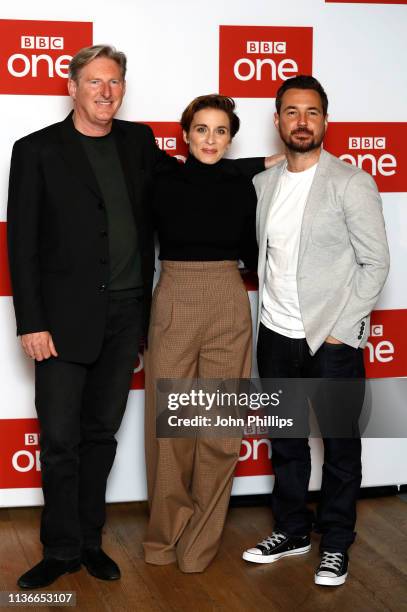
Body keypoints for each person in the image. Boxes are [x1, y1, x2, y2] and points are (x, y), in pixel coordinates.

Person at [7, 45, 280, 589]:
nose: (105, 92)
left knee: (101, 436)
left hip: (129, 315)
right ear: (73, 87)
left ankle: (89, 541)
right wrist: (30, 321)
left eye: (114, 82)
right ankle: (59, 548)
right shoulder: (35, 150)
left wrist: (281, 160)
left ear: (123, 89)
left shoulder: (139, 142)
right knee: (60, 439)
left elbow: (204, 174)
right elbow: (21, 243)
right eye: (94, 82)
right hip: (59, 323)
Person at [242, 76, 389, 586]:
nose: (301, 121)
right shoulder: (263, 185)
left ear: (325, 120)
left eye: (312, 112)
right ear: (278, 119)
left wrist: (342, 331)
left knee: (341, 448)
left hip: (331, 341)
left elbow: (376, 263)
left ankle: (337, 543)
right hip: (275, 334)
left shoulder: (351, 182)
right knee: (286, 442)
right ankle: (292, 530)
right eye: (291, 112)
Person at [143, 94, 267, 573]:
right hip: (174, 293)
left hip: (227, 300)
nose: (210, 139)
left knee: (219, 429)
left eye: (220, 130)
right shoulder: (160, 180)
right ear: (185, 134)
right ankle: (164, 536)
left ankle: (199, 541)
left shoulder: (243, 186)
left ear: (231, 137)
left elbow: (256, 254)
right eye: (201, 129)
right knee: (171, 429)